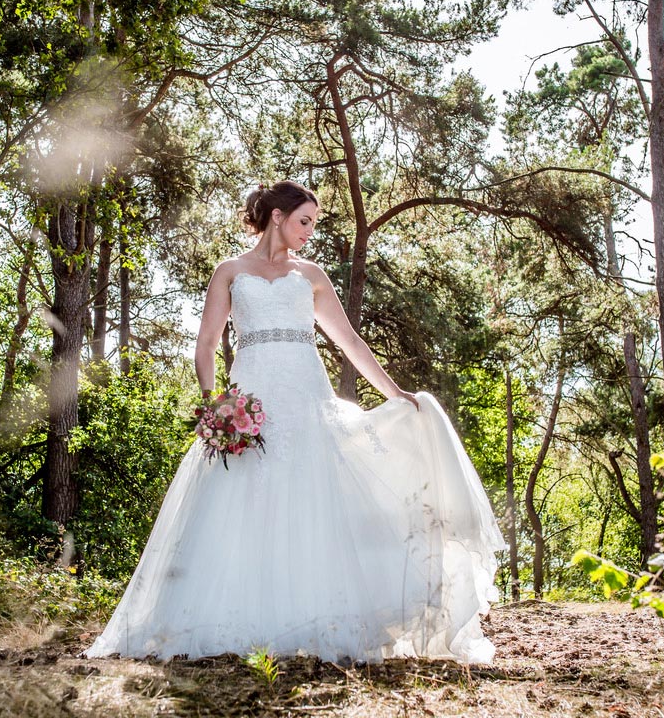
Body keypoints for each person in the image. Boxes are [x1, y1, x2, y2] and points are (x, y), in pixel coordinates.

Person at [83, 180, 506, 665]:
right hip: (251, 398)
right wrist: (214, 402)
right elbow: (205, 344)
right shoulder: (230, 271)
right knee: (239, 499)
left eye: (314, 223)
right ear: (278, 216)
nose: (310, 231)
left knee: (314, 500)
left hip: (307, 397)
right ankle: (229, 618)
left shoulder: (312, 277)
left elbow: (348, 341)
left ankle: (317, 615)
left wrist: (395, 393)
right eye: (305, 220)